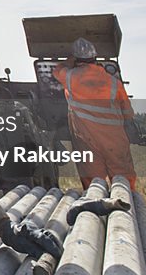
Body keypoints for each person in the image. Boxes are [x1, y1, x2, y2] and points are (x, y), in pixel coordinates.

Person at [52, 37, 137, 191]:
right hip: (115, 140)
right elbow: (127, 113)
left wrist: (67, 62)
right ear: (95, 58)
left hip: (87, 140)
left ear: (76, 60)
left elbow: (57, 70)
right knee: (124, 181)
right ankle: (128, 206)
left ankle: (95, 211)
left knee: (93, 184)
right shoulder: (113, 82)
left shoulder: (71, 77)